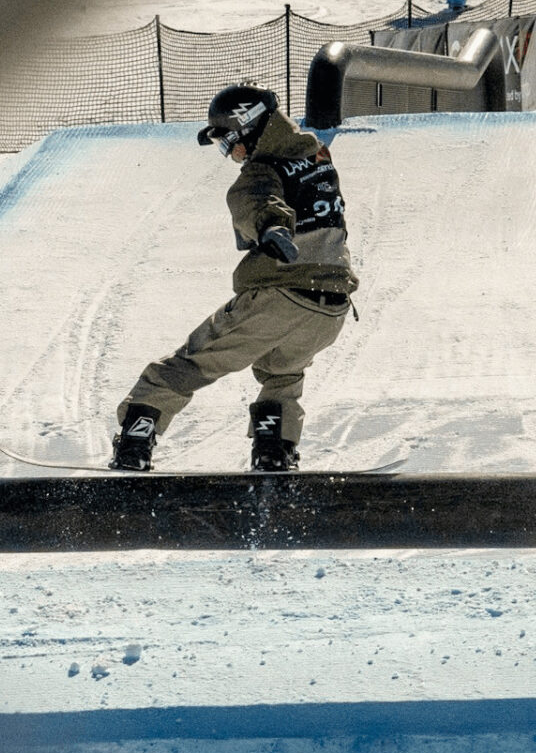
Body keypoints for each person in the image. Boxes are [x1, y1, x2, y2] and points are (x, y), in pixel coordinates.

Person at [110, 85, 357, 473]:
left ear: (250, 127)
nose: (232, 155)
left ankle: (135, 441)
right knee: (282, 372)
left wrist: (271, 228)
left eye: (230, 143)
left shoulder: (259, 170)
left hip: (282, 295)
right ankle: (275, 450)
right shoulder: (318, 156)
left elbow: (259, 201)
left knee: (193, 362)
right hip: (331, 306)